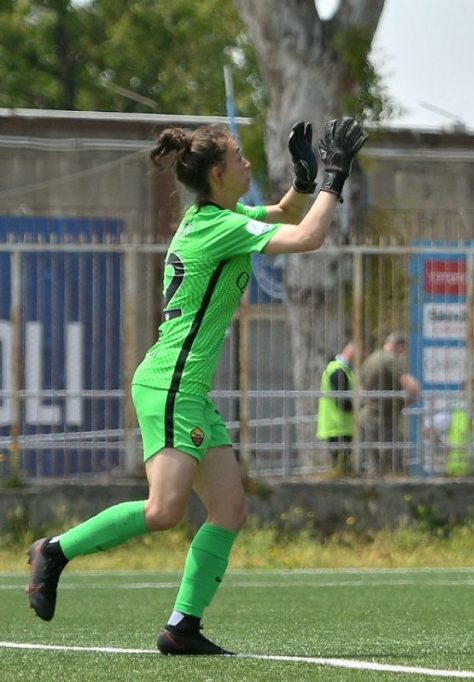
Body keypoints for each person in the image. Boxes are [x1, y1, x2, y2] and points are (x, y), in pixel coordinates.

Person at [24, 117, 368, 655]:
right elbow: (307, 235)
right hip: (171, 385)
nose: (247, 162)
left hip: (187, 389)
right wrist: (334, 175)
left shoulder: (219, 216)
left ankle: (182, 626)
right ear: (216, 172)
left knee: (228, 509)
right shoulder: (217, 227)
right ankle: (55, 550)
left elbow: (283, 215)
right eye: (238, 156)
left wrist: (303, 182)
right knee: (163, 511)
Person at [358, 332, 420, 476]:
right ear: (398, 346)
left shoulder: (371, 359)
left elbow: (360, 387)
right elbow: (410, 384)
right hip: (384, 419)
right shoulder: (390, 359)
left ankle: (372, 493)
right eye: (403, 350)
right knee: (394, 463)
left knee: (374, 464)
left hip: (367, 416)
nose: (403, 354)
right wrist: (412, 396)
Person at [317, 341, 359, 474]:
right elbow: (342, 400)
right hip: (339, 425)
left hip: (339, 425)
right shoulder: (338, 370)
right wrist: (358, 409)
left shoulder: (341, 369)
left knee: (341, 465)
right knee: (341, 465)